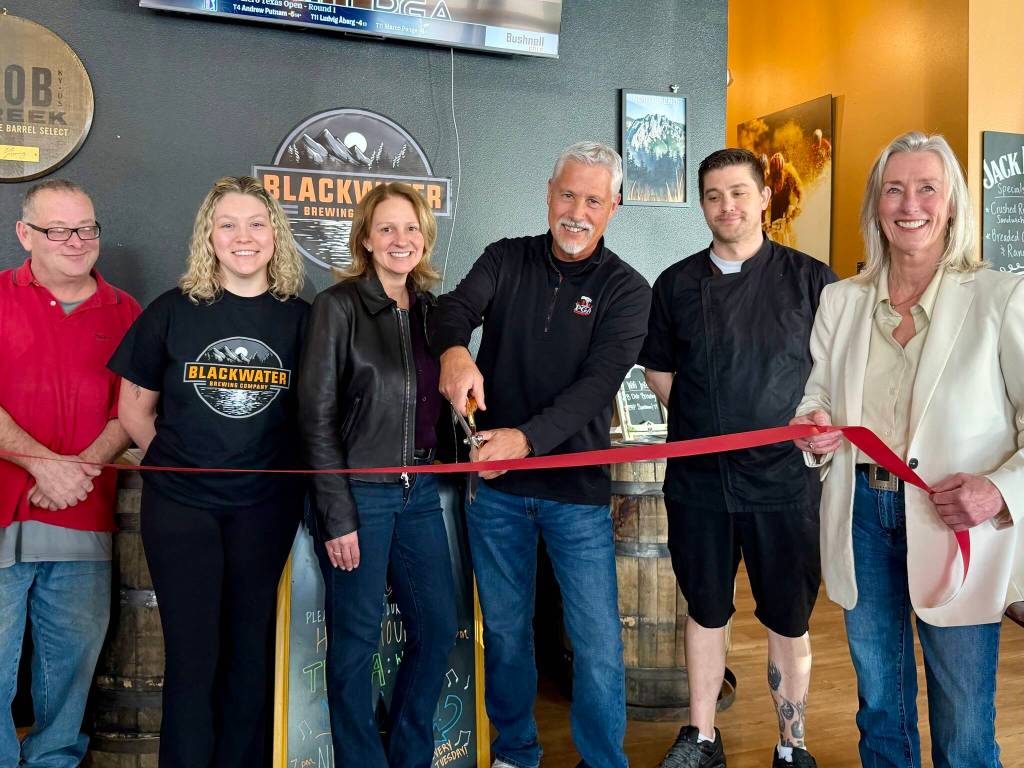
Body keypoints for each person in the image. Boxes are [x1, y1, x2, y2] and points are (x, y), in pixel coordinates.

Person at [791, 131, 1024, 768]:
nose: (909, 203)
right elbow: (818, 397)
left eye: (927, 188)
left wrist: (998, 490)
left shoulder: (1001, 296)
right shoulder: (841, 300)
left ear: (952, 204)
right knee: (879, 707)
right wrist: (814, 425)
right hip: (861, 517)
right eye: (894, 189)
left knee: (964, 716)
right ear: (876, 205)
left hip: (957, 524)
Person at [430, 141, 651, 768]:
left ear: (614, 205)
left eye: (591, 199)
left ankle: (603, 761)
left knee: (597, 645)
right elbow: (452, 310)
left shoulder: (628, 291)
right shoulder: (506, 258)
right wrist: (453, 351)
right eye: (566, 194)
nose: (576, 211)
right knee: (505, 635)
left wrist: (522, 441)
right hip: (494, 493)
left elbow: (594, 389)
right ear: (547, 193)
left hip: (575, 496)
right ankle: (515, 754)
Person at [641, 149, 835, 768]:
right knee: (704, 609)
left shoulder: (812, 280)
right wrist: (706, 423)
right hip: (700, 482)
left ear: (764, 199)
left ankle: (791, 743)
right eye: (714, 195)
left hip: (784, 482)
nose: (727, 206)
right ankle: (702, 736)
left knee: (788, 616)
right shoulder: (675, 283)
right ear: (702, 205)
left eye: (739, 193)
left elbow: (831, 376)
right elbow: (660, 370)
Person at [109, 176, 308, 768]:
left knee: (251, 653)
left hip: (265, 509)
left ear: (276, 235)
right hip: (182, 511)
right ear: (209, 236)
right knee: (193, 657)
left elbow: (316, 418)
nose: (242, 237)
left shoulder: (303, 317)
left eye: (256, 223)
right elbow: (132, 410)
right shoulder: (171, 311)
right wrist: (178, 465)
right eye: (228, 224)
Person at [298, 182, 457, 768]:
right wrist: (336, 516)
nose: (401, 239)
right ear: (365, 238)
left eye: (411, 228)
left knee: (438, 627)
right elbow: (314, 419)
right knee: (355, 644)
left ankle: (410, 754)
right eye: (387, 228)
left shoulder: (437, 314)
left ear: (425, 238)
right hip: (359, 498)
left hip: (419, 495)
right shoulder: (336, 307)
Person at [0, 180, 141, 768]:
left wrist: (81, 469)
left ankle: (54, 761)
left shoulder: (127, 310)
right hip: (5, 510)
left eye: (86, 228)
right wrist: (40, 463)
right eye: (58, 230)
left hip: (85, 515)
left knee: (71, 666)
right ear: (25, 234)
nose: (76, 241)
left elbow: (133, 409)